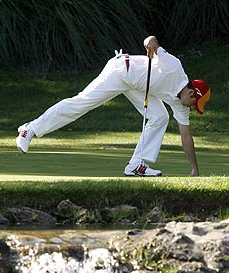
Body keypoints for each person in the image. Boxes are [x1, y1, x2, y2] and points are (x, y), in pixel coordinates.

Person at [16, 35, 210, 177]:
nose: (192, 109)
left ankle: (136, 164)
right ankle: (29, 130)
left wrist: (194, 169)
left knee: (160, 117)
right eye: (195, 105)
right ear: (192, 93)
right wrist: (150, 43)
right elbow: (151, 40)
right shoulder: (173, 66)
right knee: (82, 102)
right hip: (120, 71)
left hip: (138, 85)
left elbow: (186, 135)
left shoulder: (181, 104)